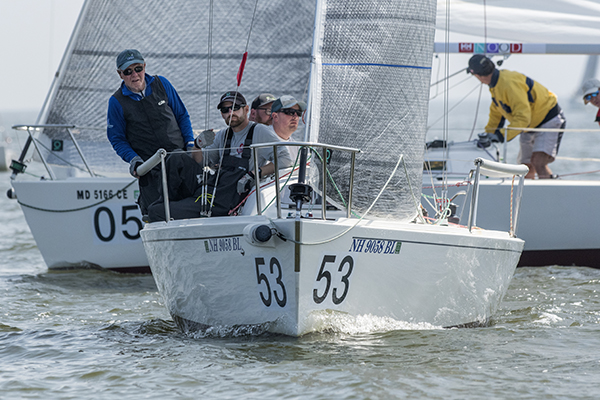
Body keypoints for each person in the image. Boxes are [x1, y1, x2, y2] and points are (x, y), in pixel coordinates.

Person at [148, 91, 293, 221]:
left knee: (156, 212)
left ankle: (168, 211)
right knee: (176, 157)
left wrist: (255, 173)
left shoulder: (259, 131)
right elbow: (201, 163)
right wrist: (197, 145)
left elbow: (286, 160)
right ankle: (170, 204)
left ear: (246, 109)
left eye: (235, 107)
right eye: (225, 110)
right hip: (209, 192)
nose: (230, 112)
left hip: (226, 200)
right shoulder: (223, 135)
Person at [107, 49, 194, 215]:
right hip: (151, 171)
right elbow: (117, 139)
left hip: (180, 163)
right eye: (128, 71)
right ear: (120, 74)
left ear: (145, 67)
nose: (135, 75)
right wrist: (133, 159)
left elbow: (182, 115)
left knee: (192, 210)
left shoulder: (162, 84)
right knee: (157, 215)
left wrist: (190, 144)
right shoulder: (116, 102)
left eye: (138, 68)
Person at [468, 54, 566, 179]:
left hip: (548, 118)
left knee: (539, 161)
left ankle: (552, 195)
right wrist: (489, 135)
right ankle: (527, 196)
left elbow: (523, 118)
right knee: (525, 166)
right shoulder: (497, 84)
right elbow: (497, 114)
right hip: (529, 124)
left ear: (477, 75)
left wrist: (500, 135)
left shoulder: (508, 83)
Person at [269, 95, 306, 161]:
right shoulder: (263, 139)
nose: (295, 117)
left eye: (298, 113)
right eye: (290, 112)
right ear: (275, 116)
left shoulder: (297, 148)